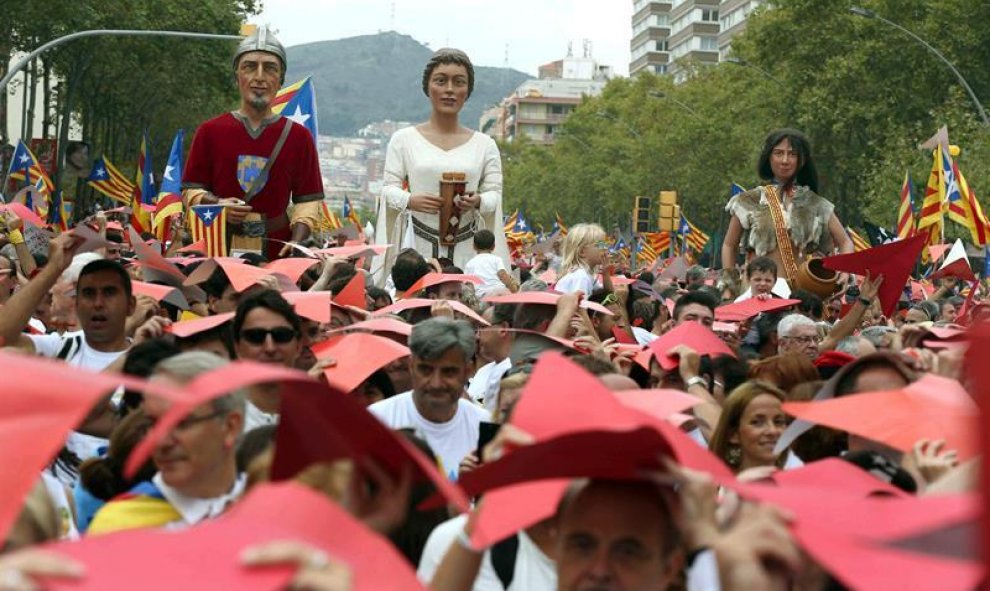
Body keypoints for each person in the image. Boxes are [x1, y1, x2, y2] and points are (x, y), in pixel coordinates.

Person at [181, 25, 323, 260]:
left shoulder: (299, 137)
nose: (259, 76)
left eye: (269, 69)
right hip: (218, 248)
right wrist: (218, 205)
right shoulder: (210, 131)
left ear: (280, 79)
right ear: (237, 77)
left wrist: (296, 242)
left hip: (277, 251)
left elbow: (308, 201)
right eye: (249, 67)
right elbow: (190, 191)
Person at [375, 48, 509, 282]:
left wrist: (478, 201)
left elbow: (495, 194)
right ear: (428, 86)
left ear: (468, 90)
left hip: (468, 245)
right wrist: (409, 200)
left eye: (458, 82)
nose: (449, 89)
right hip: (416, 243)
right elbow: (388, 188)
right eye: (441, 81)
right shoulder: (404, 139)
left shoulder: (485, 144)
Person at [87, 352, 246, 534]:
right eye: (153, 423)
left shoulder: (273, 513)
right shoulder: (118, 527)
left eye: (180, 423)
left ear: (230, 426)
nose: (161, 441)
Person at [721, 129, 853, 287]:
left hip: (798, 293)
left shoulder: (815, 203)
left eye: (792, 154)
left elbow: (845, 241)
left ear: (801, 160)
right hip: (757, 292)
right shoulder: (750, 200)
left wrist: (844, 271)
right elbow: (729, 245)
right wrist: (729, 285)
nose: (785, 160)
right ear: (769, 157)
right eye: (778, 153)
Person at [368, 317, 488, 480]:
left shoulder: (485, 427)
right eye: (425, 370)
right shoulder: (377, 420)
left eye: (448, 372)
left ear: (467, 371)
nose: (436, 383)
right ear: (411, 366)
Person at [232, 289, 303, 431]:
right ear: (237, 347)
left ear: (298, 346)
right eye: (256, 336)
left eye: (281, 335)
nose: (270, 348)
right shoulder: (217, 419)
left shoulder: (323, 415)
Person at [708, 381, 789, 472]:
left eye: (778, 422)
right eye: (758, 423)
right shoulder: (711, 484)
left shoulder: (800, 484)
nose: (772, 431)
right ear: (733, 433)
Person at [554, 223, 611, 295]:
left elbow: (608, 294)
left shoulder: (587, 274)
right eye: (600, 245)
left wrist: (606, 274)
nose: (605, 248)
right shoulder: (581, 277)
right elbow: (579, 305)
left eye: (605, 244)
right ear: (582, 252)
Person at [464, 229, 517, 297]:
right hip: (499, 292)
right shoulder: (497, 259)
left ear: (474, 246)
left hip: (482, 295)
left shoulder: (469, 264)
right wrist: (514, 290)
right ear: (493, 246)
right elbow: (502, 274)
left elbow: (468, 284)